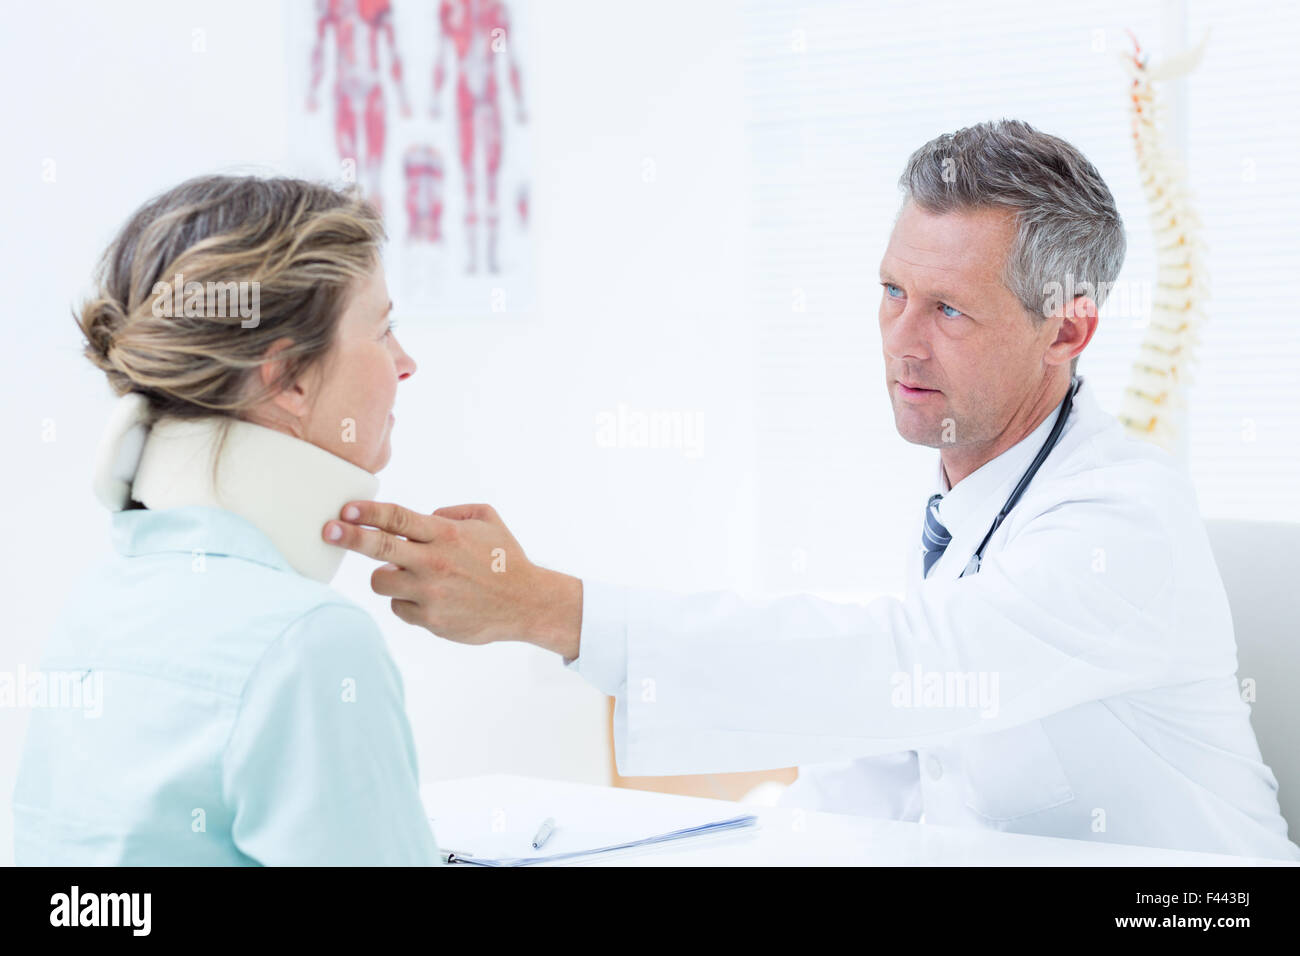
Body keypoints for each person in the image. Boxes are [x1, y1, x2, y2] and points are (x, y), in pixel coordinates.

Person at [323, 120, 1300, 860]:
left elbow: (908, 666)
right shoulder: (964, 501)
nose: (901, 340)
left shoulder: (1120, 520)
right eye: (890, 292)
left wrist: (553, 609)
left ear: (1067, 331)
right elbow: (884, 756)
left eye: (949, 308)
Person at [13, 175, 442, 865]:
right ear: (288, 381)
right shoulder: (310, 646)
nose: (406, 364)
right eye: (384, 329)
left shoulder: (93, 606)